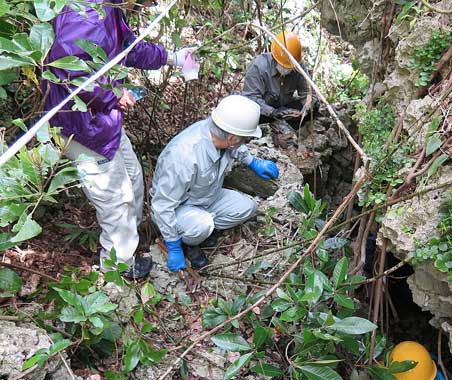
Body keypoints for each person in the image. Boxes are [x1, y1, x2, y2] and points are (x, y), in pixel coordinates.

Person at [43, 0, 193, 279]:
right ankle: (117, 268)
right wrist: (113, 93)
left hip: (104, 122)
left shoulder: (109, 9)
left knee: (133, 178)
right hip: (83, 126)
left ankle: (131, 240)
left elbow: (128, 48)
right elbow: (70, 73)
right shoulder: (87, 17)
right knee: (114, 198)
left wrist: (172, 57)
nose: (154, 3)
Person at [150, 95, 279, 271]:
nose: (246, 142)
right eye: (246, 139)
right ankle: (186, 241)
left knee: (247, 208)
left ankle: (200, 233)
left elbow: (236, 147)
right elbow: (162, 205)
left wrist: (253, 162)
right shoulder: (183, 157)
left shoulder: (220, 133)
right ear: (232, 138)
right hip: (177, 207)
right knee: (203, 225)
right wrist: (173, 246)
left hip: (205, 196)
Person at [242, 31, 318, 148]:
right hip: (263, 112)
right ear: (274, 57)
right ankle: (268, 129)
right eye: (284, 66)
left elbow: (309, 94)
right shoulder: (259, 66)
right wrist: (272, 112)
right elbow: (251, 98)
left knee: (316, 107)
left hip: (284, 110)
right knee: (247, 115)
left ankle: (285, 126)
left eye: (290, 67)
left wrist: (304, 110)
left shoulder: (298, 65)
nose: (287, 69)